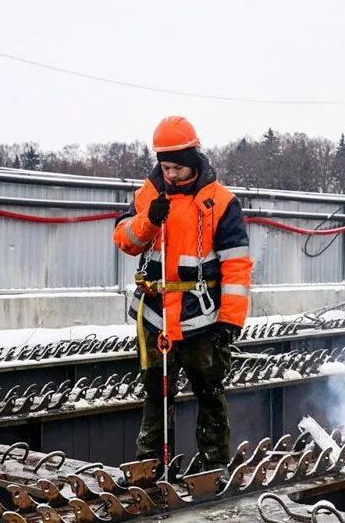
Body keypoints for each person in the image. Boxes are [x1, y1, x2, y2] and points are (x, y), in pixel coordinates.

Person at [113, 115, 253, 471]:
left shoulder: (221, 203)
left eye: (176, 168)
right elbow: (125, 241)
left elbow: (236, 266)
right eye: (165, 167)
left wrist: (230, 321)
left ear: (192, 161)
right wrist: (147, 220)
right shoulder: (148, 194)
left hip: (201, 320)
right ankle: (151, 468)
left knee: (210, 393)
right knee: (156, 395)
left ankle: (215, 467)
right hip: (155, 316)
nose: (170, 175)